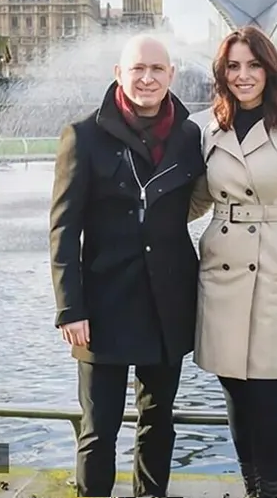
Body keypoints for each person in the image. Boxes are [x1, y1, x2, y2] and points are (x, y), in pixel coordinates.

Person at [48, 34, 206, 498]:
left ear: (171, 75)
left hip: (168, 304)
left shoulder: (188, 136)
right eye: (137, 69)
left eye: (157, 69)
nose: (147, 78)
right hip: (102, 305)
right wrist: (69, 308)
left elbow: (193, 204)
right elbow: (63, 229)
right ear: (119, 74)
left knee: (159, 426)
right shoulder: (83, 136)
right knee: (99, 432)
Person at [189, 26, 277, 498]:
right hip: (224, 267)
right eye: (233, 66)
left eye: (253, 65)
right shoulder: (209, 128)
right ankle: (251, 488)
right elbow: (194, 201)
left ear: (269, 70)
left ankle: (271, 492)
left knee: (269, 393)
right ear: (222, 72)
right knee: (233, 390)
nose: (243, 75)